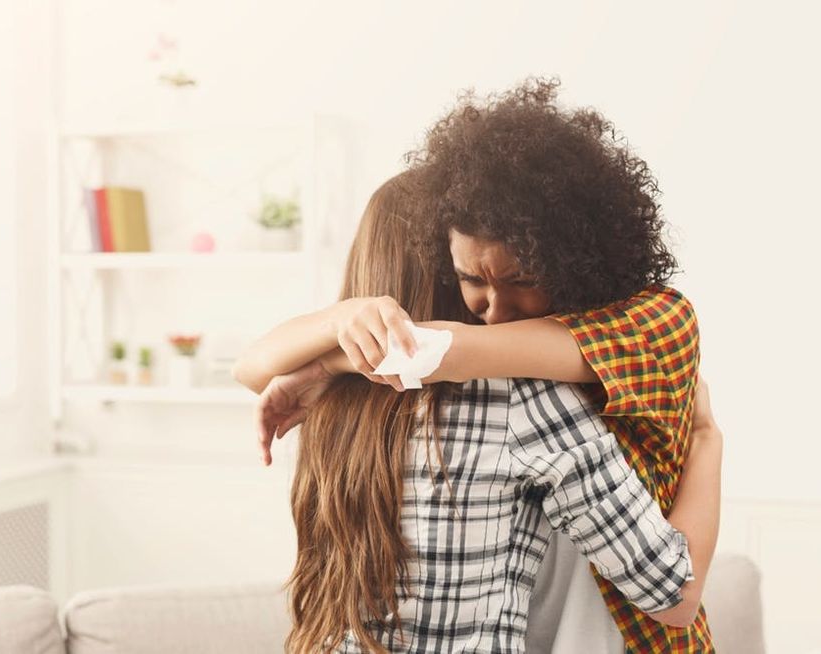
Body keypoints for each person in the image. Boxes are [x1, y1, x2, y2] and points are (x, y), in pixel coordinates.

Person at [235, 79, 720, 652]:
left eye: (520, 279)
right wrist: (707, 436)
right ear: (444, 266)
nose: (493, 309)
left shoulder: (333, 414)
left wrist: (327, 359)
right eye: (470, 279)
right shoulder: (522, 400)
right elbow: (675, 593)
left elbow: (263, 367)